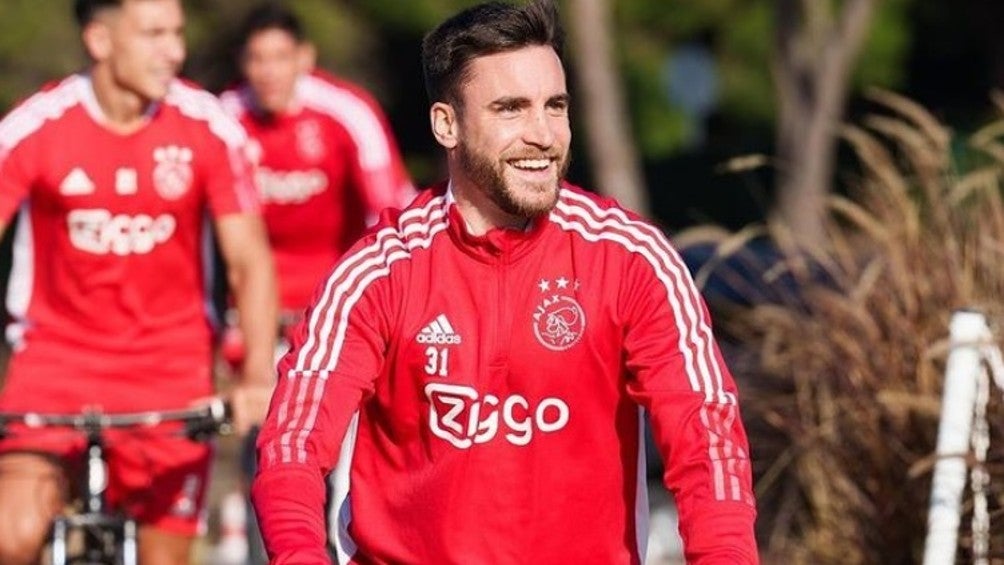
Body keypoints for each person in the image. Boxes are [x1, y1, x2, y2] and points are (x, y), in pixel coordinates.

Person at [251, 1, 758, 563]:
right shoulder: (377, 273)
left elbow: (708, 443)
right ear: (446, 125)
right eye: (510, 109)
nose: (542, 134)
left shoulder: (631, 259)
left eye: (555, 106)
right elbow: (293, 447)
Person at [0, 1, 278, 564]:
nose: (174, 51)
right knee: (12, 534)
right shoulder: (35, 125)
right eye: (154, 34)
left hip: (171, 376)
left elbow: (249, 261)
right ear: (100, 40)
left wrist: (255, 376)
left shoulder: (206, 125)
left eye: (177, 33)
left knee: (164, 558)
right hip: (53, 368)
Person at [219, 3, 415, 327]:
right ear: (241, 62)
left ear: (305, 58)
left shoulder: (348, 111)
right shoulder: (224, 118)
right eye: (257, 59)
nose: (269, 72)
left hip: (337, 290)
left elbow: (389, 209)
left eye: (281, 57)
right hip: (250, 300)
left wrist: (382, 295)